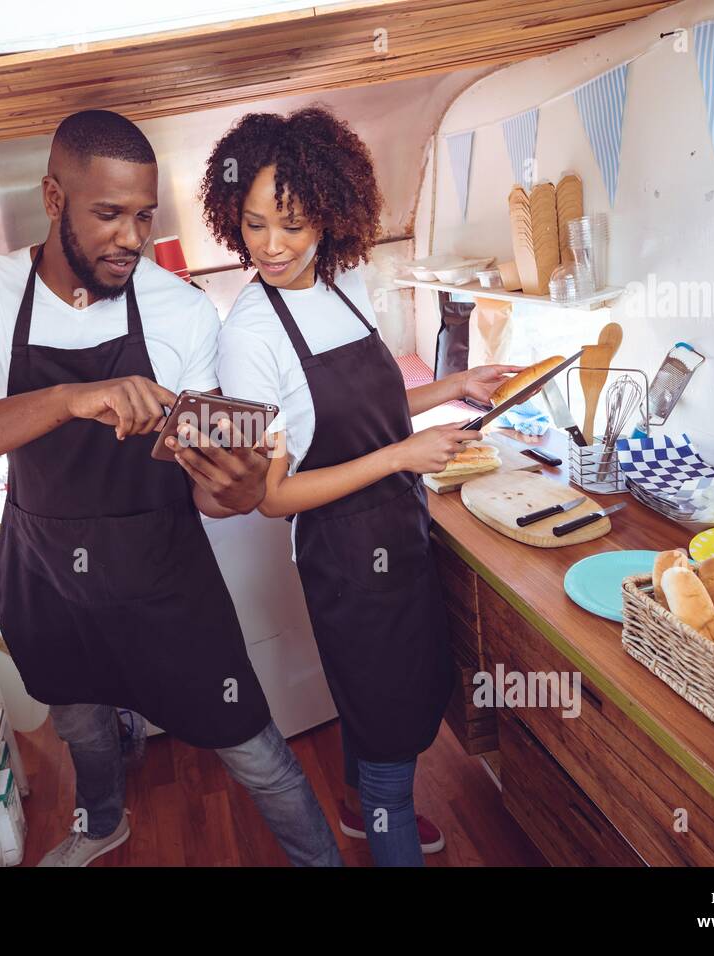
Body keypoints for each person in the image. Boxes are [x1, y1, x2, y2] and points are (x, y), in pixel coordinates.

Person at [0, 109, 340, 867]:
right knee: (78, 720)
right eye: (108, 214)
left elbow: (214, 494)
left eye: (143, 217)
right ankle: (103, 822)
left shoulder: (181, 310)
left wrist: (233, 486)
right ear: (53, 197)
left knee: (250, 742)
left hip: (164, 575)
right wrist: (71, 400)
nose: (131, 239)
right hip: (46, 570)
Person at [201, 107, 519, 866]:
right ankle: (384, 823)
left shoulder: (346, 284)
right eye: (253, 226)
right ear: (229, 219)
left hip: (399, 528)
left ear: (330, 217)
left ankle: (358, 809)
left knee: (386, 704)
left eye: (294, 225)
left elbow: (370, 408)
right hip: (345, 555)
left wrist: (456, 385)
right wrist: (401, 458)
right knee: (387, 728)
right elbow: (272, 496)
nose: (272, 248)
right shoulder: (247, 335)